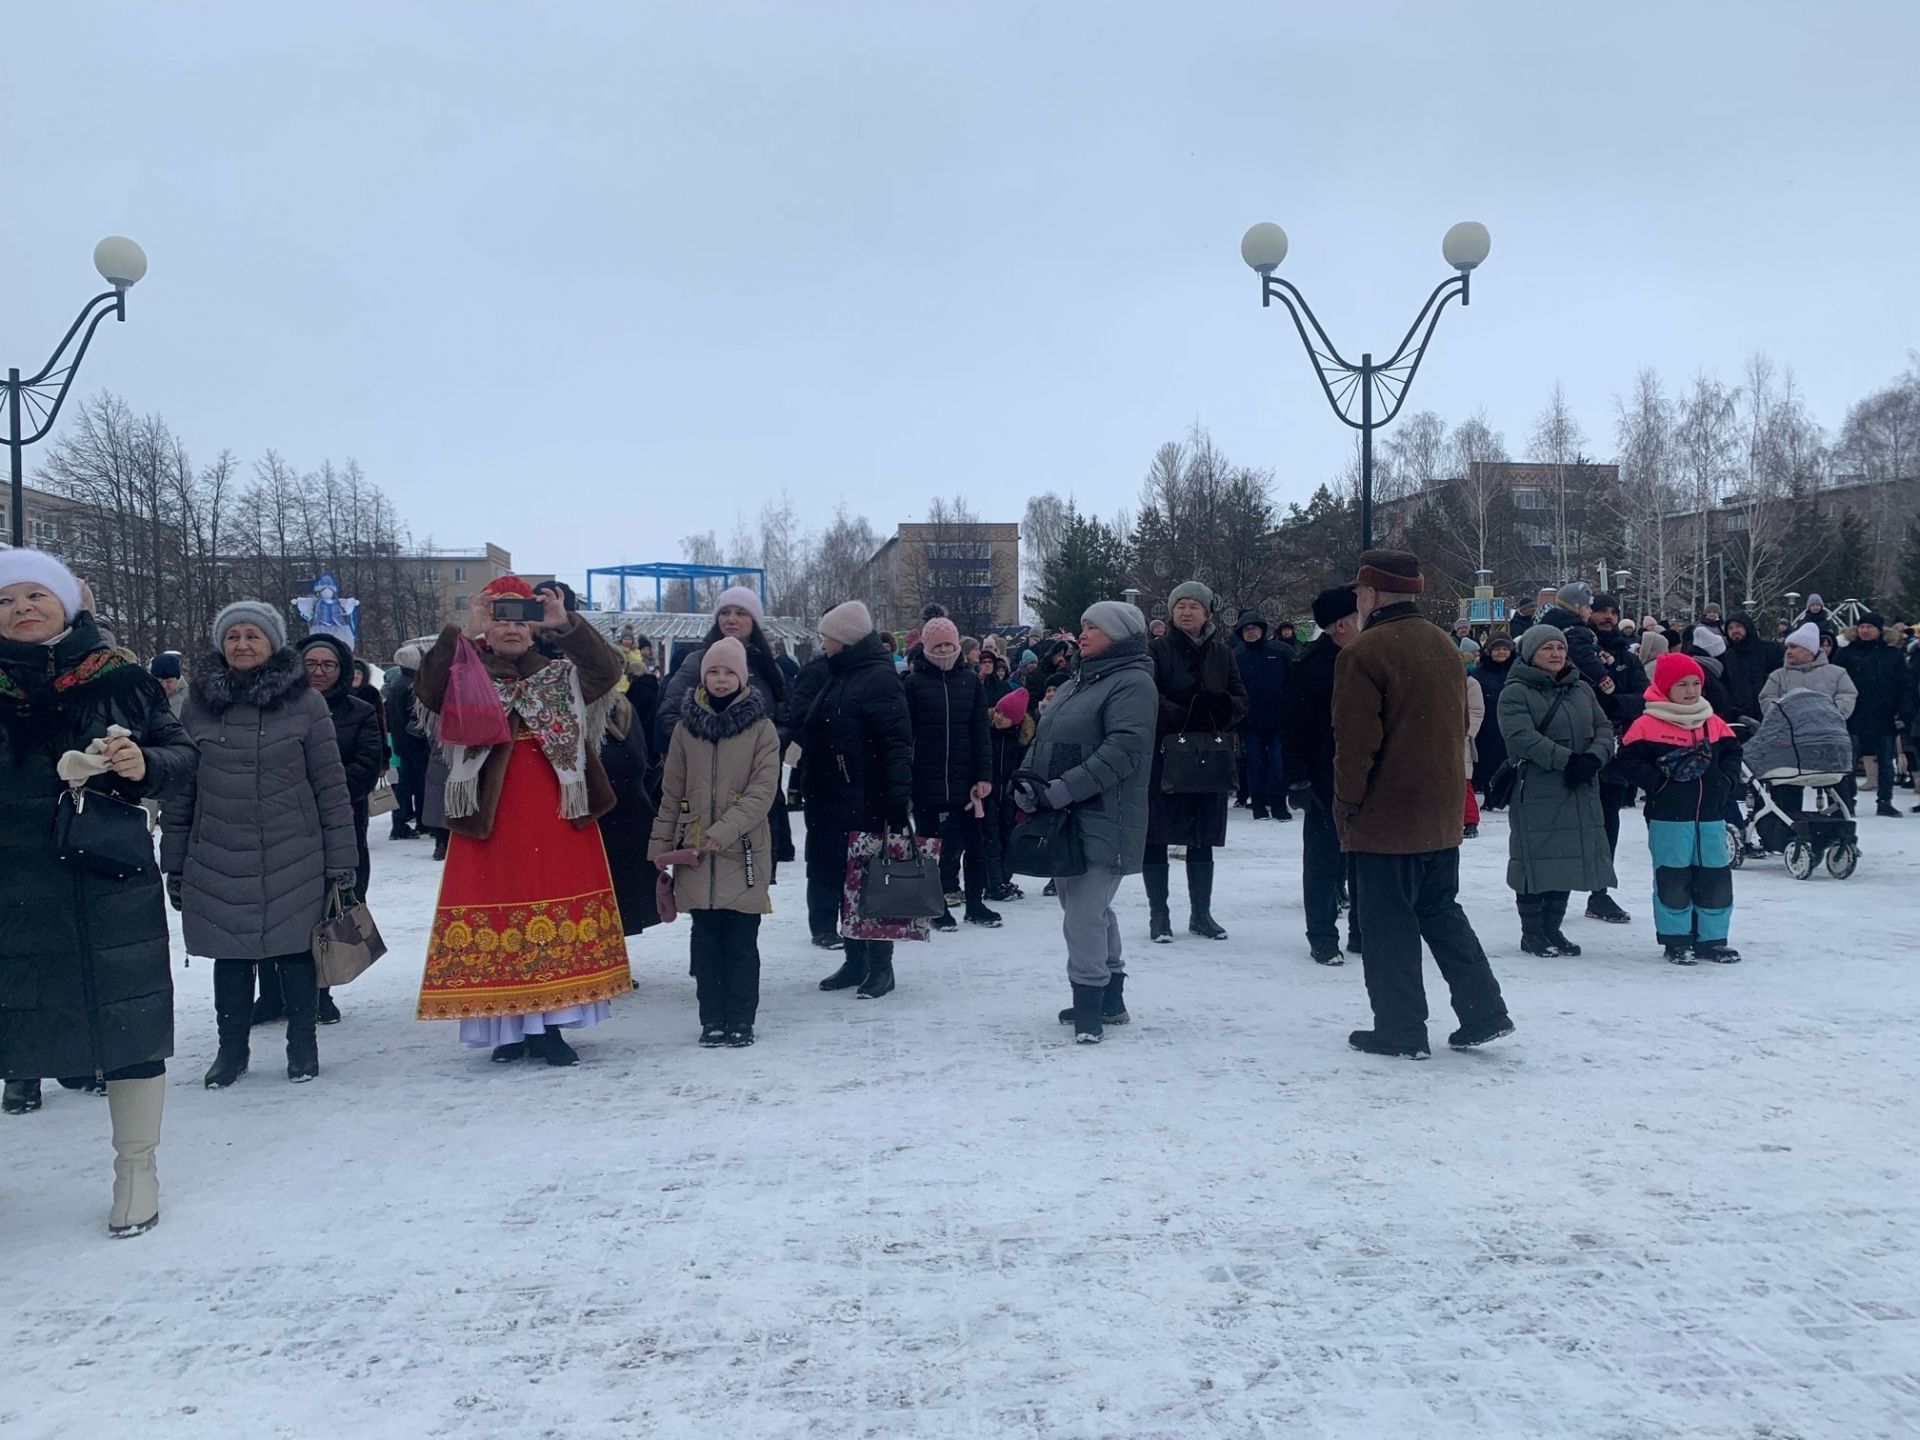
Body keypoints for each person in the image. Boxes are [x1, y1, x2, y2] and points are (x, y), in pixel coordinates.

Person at [0, 552, 193, 1234]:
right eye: (7, 599)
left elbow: (180, 754)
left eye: (35, 595)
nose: (22, 608)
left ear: (66, 603)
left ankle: (136, 1169)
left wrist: (142, 764)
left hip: (105, 876)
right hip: (11, 884)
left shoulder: (124, 681)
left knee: (127, 1019)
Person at [412, 577, 633, 1066]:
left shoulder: (560, 677)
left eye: (520, 620)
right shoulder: (464, 674)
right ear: (486, 627)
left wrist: (569, 626)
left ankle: (550, 1027)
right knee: (496, 913)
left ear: (534, 629)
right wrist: (463, 631)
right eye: (499, 619)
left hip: (555, 815)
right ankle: (507, 1026)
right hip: (488, 821)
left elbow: (607, 670)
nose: (510, 629)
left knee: (553, 910)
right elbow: (426, 692)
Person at [165, 600, 356, 1087]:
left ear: (272, 644)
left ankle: (302, 1046)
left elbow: (330, 786)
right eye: (233, 636)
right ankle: (230, 1052)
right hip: (215, 852)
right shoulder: (197, 706)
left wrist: (341, 860)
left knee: (294, 954)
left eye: (253, 635)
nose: (242, 644)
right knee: (229, 958)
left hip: (294, 850)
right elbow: (181, 787)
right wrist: (175, 861)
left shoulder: (306, 703)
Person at [1332, 551, 1512, 1058]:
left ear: (1369, 594)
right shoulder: (1444, 645)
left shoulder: (1364, 653)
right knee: (1441, 911)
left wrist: (1346, 803)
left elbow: (1355, 745)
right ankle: (1485, 1012)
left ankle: (1401, 1027)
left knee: (1386, 923)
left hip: (1385, 815)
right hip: (1440, 807)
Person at [1013, 601, 1158, 1043]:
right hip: (1066, 814)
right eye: (1083, 625)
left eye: (1093, 626)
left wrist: (1066, 787)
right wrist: (1027, 779)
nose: (1083, 633)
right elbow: (1046, 737)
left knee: (1083, 913)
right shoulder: (1080, 679)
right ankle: (1109, 998)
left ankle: (1090, 1005)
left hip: (1104, 814)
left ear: (1117, 634)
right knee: (1087, 908)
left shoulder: (1132, 683)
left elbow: (1124, 750)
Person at [245, 634, 383, 1032]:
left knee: (331, 907)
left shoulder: (359, 711)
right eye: (311, 664)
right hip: (282, 825)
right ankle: (271, 993)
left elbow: (366, 763)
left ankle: (320, 992)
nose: (319, 672)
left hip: (340, 826)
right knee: (277, 909)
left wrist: (321, 793)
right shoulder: (275, 707)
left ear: (343, 671)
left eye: (329, 665)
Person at [650, 637, 780, 1047]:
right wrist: (660, 845)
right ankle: (712, 1019)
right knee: (705, 943)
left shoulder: (762, 729)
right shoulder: (687, 730)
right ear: (703, 676)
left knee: (741, 941)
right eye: (713, 672)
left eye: (729, 672)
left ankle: (741, 1018)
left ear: (742, 678)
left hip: (742, 852)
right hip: (695, 856)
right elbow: (671, 791)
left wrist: (721, 831)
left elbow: (763, 793)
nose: (721, 679)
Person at [803, 601, 914, 1000]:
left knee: (870, 883)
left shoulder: (877, 679)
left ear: (845, 639)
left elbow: (897, 744)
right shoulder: (840, 674)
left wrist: (897, 800)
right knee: (841, 879)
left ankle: (880, 966)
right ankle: (855, 960)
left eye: (827, 637)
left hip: (867, 799)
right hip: (832, 798)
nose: (823, 644)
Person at [1611, 654, 1743, 964]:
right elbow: (1627, 761)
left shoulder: (1713, 721)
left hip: (1711, 816)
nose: (1691, 690)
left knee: (1715, 877)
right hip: (1669, 816)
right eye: (1682, 684)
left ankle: (1712, 939)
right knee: (1673, 878)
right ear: (1664, 687)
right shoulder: (1646, 723)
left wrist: (1726, 781)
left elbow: (1733, 753)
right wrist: (1658, 784)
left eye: (1696, 683)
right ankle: (1677, 939)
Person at [1498, 625, 1617, 957]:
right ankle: (1533, 933)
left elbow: (1604, 726)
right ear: (1531, 654)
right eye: (1547, 648)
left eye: (1560, 648)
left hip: (1579, 786)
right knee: (1536, 859)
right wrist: (1568, 760)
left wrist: (1595, 756)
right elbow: (1521, 737)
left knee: (1566, 858)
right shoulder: (1516, 692)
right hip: (1538, 787)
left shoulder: (1580, 688)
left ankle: (1553, 929)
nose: (1556, 654)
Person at [1143, 581, 1248, 942]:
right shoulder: (1156, 649)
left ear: (1207, 613)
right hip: (1166, 753)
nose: (1186, 612)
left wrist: (1221, 710)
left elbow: (1240, 698)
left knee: (1202, 835)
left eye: (1194, 606)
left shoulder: (1222, 652)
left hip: (1209, 755)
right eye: (1180, 606)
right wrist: (1186, 715)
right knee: (1156, 835)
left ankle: (1201, 914)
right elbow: (1149, 696)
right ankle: (1160, 915)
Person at [1280, 585, 1362, 965]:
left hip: (1370, 778)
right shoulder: (1310, 665)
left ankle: (1363, 932)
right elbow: (1294, 728)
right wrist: (1297, 779)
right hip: (1323, 777)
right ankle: (1323, 935)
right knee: (1324, 861)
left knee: (1368, 861)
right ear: (1343, 624)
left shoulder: (1372, 656)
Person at [902, 616, 998, 930]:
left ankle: (975, 903)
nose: (944, 651)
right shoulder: (914, 685)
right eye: (938, 645)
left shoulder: (970, 682)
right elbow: (905, 735)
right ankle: (936, 906)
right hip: (927, 780)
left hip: (966, 780)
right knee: (930, 847)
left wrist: (983, 776)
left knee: (975, 844)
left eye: (949, 644)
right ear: (927, 648)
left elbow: (980, 733)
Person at [1583, 593, 1649, 919]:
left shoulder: (1627, 655)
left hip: (1616, 748)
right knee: (1567, 821)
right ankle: (1548, 891)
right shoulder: (1576, 649)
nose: (1608, 617)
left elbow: (1644, 696)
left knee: (1609, 819)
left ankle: (1600, 891)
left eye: (1613, 612)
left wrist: (1614, 705)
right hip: (1577, 746)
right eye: (1601, 611)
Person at [1834, 611, 1909, 817]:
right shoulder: (1846, 654)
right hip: (1853, 715)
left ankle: (1885, 801)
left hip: (1884, 714)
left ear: (1879, 630)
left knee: (1886, 761)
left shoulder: (1892, 654)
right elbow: (1836, 683)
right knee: (1849, 761)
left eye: (1870, 627)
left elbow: (1904, 685)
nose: (1865, 631)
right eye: (1862, 627)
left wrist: (1903, 712)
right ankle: (1848, 801)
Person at [1231, 609, 1292, 821]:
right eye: (1246, 629)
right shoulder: (1236, 656)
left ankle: (1278, 804)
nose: (1250, 632)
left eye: (1254, 628)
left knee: (1277, 763)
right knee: (1255, 764)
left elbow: (1294, 681)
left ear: (1262, 630)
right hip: (1249, 721)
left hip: (1278, 719)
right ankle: (1258, 804)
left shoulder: (1281, 651)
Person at [983, 686, 1034, 902]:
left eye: (1005, 715)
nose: (999, 717)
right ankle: (993, 883)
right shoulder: (986, 733)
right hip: (989, 795)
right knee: (991, 840)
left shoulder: (1023, 741)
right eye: (998, 711)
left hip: (1012, 798)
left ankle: (1003, 879)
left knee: (1008, 839)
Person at [384, 643, 431, 839]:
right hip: (416, 742)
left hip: (402, 743)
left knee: (405, 785)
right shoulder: (412, 685)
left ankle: (404, 821)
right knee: (419, 783)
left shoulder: (397, 683)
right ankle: (420, 821)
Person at [1469, 635, 1515, 796]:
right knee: (1488, 758)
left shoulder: (1517, 671)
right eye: (1497, 649)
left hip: (1511, 721)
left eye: (1505, 649)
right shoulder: (1479, 674)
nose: (1501, 652)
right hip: (1487, 722)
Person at [1720, 612, 1782, 723]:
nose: (1734, 631)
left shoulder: (1771, 650)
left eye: (1738, 626)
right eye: (1730, 628)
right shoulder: (1727, 657)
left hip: (1770, 713)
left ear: (1747, 627)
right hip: (1743, 718)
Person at [150, 651, 187, 717]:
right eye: (159, 681)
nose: (163, 686)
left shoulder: (191, 699)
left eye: (169, 681)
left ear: (178, 679)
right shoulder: (146, 697)